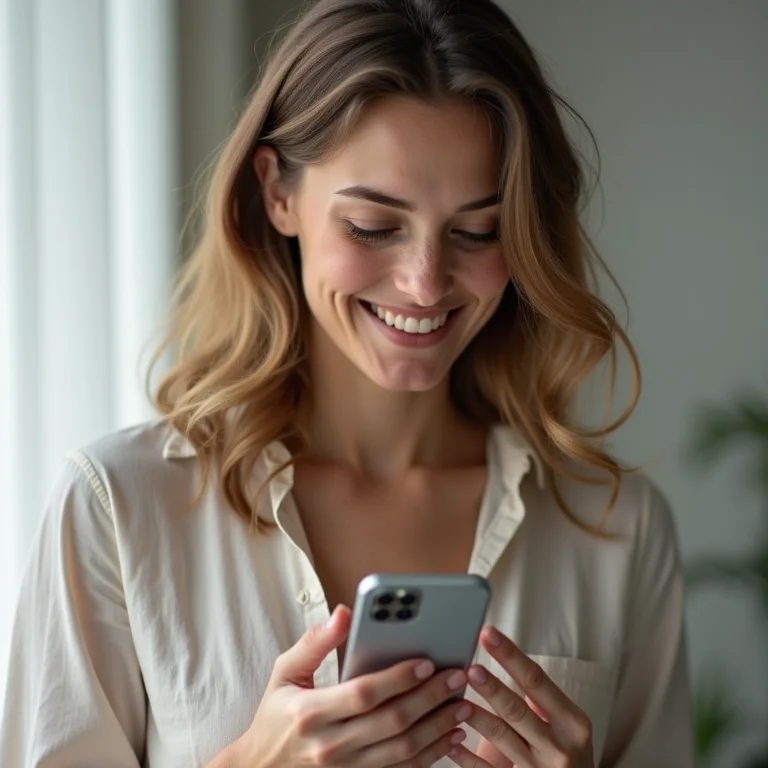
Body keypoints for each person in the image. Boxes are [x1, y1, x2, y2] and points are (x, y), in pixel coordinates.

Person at [0, 0, 695, 765]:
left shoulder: (616, 530)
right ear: (278, 194)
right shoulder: (119, 511)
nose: (426, 284)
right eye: (373, 226)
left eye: (477, 231)